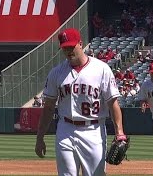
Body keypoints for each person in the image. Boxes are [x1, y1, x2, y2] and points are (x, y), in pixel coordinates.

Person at [35, 28, 127, 176]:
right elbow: (48, 107)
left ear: (80, 44)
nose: (69, 51)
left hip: (94, 130)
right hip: (65, 129)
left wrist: (120, 132)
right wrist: (40, 137)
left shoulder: (101, 69)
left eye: (71, 47)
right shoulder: (56, 73)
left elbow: (113, 103)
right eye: (65, 48)